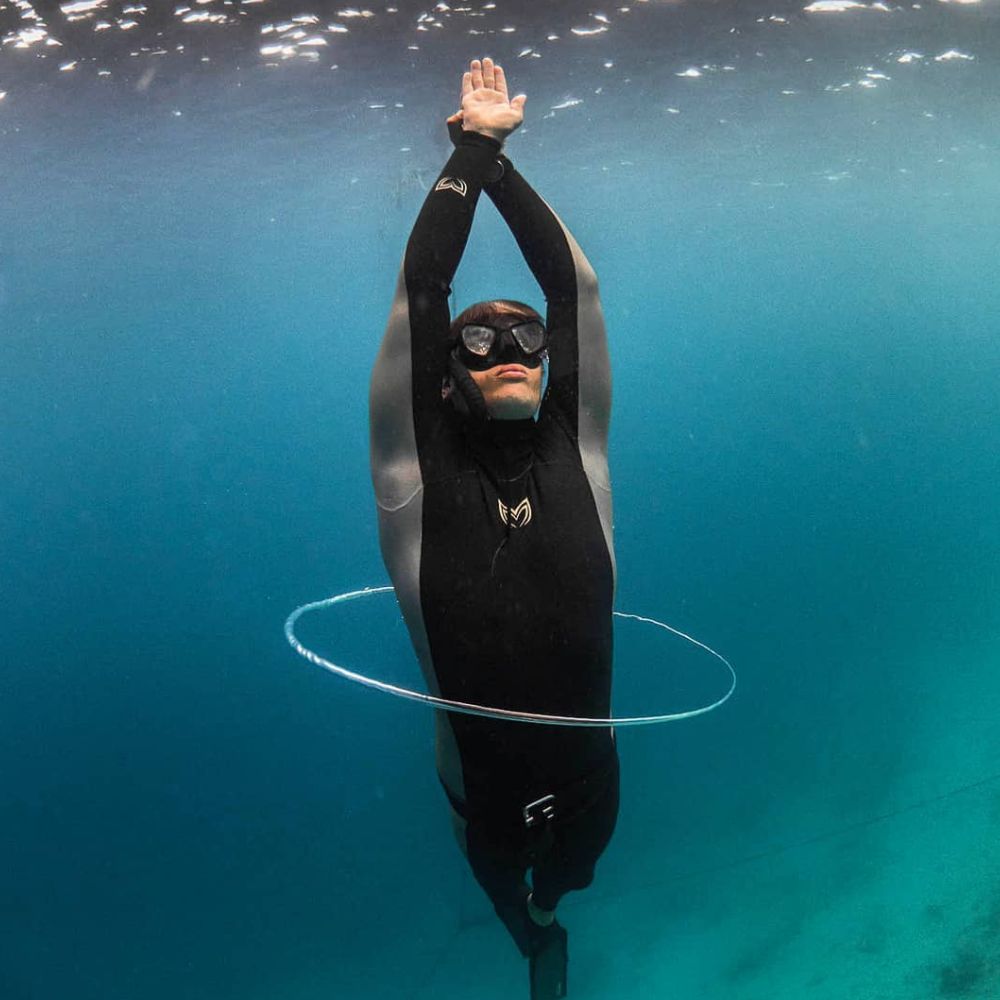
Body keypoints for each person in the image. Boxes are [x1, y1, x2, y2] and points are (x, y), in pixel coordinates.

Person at [370, 57, 618, 1000]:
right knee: (508, 891)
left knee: (571, 880)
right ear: (445, 377)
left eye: (525, 338)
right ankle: (530, 934)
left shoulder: (577, 453)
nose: (508, 348)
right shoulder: (416, 474)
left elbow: (576, 293)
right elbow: (420, 297)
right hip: (482, 800)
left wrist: (498, 165)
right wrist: (471, 151)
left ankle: (550, 915)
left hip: (596, 784)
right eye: (479, 341)